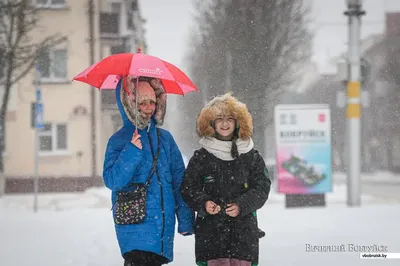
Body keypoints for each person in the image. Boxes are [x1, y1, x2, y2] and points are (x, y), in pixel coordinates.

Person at [103, 76, 194, 266]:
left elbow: (179, 181)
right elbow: (112, 180)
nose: (148, 107)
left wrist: (185, 220)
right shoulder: (119, 140)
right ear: (129, 104)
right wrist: (131, 152)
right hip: (133, 224)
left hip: (162, 228)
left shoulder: (165, 139)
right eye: (142, 102)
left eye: (152, 102)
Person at [181, 92, 271, 266]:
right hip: (211, 239)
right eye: (219, 118)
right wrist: (204, 203)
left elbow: (262, 188)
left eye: (229, 118)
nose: (224, 123)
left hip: (244, 238)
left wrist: (242, 205)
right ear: (211, 123)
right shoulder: (201, 157)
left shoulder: (251, 156)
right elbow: (188, 187)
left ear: (238, 122)